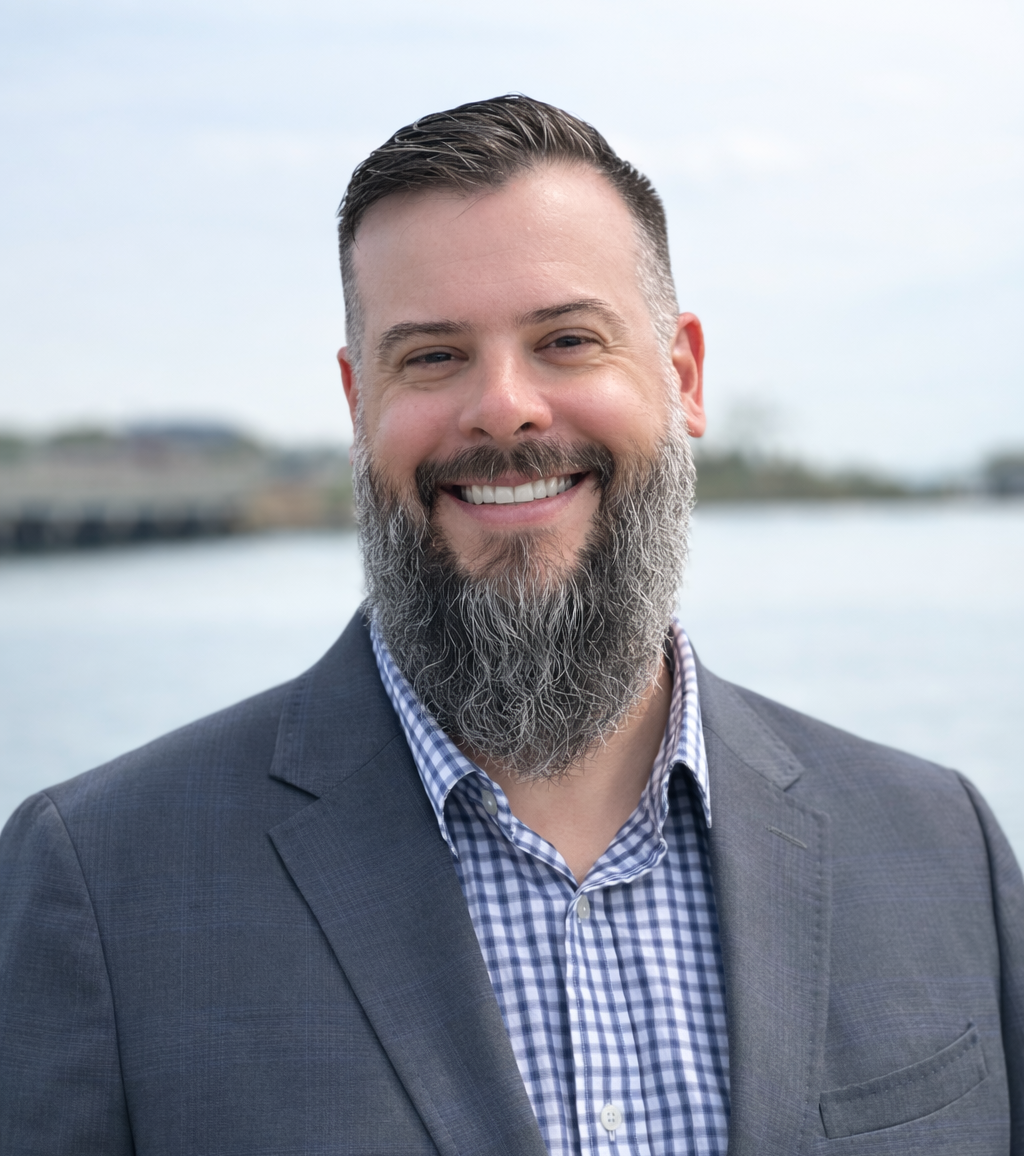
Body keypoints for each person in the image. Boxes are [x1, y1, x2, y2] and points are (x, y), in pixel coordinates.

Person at [1, 95, 1021, 1156]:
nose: (504, 407)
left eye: (567, 340)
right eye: (433, 357)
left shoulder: (940, 845)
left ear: (682, 376)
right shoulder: (99, 886)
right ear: (358, 404)